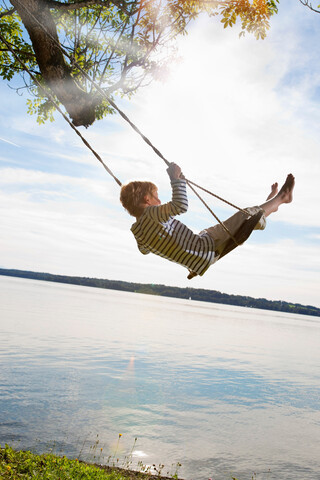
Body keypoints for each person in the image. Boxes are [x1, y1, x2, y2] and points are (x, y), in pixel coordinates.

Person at [120, 163, 295, 279]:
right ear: (147, 199)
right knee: (247, 215)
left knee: (243, 224)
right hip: (207, 246)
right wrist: (175, 180)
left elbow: (144, 251)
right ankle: (282, 198)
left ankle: (271, 203)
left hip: (198, 257)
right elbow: (180, 206)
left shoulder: (138, 234)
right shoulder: (152, 213)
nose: (159, 201)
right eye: (156, 197)